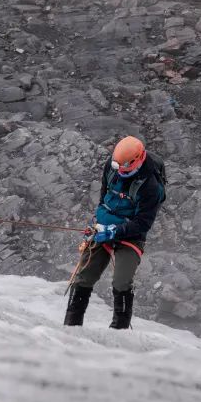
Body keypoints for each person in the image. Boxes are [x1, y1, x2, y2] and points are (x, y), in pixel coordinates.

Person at [64, 135, 165, 329]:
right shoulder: (112, 166)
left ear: (138, 160)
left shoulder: (150, 186)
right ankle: (71, 326)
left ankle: (120, 330)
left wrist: (115, 231)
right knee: (84, 276)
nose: (119, 172)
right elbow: (104, 198)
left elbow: (143, 223)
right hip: (103, 227)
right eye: (117, 167)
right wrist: (97, 222)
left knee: (121, 281)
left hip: (131, 235)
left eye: (124, 168)